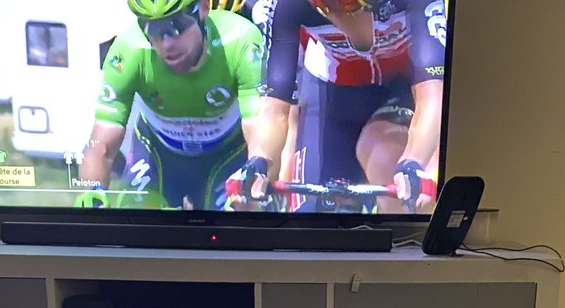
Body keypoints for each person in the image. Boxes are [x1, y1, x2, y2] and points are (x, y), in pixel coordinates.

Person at [230, 0, 446, 213]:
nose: (333, 14)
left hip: (404, 86)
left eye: (347, 5)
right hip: (334, 94)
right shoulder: (287, 5)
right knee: (313, 218)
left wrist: (414, 161)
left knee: (388, 160)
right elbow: (274, 109)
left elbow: (433, 94)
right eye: (321, 5)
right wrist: (257, 162)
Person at [78, 0, 266, 210]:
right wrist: (92, 192)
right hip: (157, 153)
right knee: (138, 223)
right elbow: (100, 143)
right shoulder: (128, 51)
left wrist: (256, 178)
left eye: (177, 26)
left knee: (234, 225)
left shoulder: (240, 40)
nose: (167, 43)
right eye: (154, 30)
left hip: (227, 155)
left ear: (203, 9)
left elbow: (260, 133)